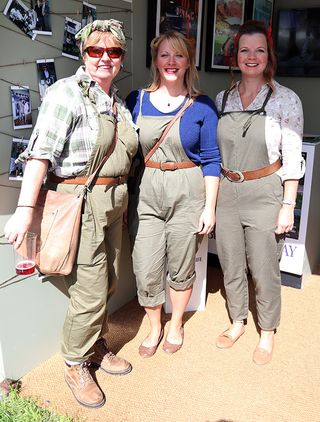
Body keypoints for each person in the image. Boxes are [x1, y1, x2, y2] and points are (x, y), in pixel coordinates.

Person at [4, 19, 138, 408]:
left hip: (115, 203)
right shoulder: (66, 94)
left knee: (110, 281)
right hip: (81, 203)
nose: (104, 58)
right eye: (95, 50)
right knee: (90, 291)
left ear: (121, 57)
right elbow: (40, 153)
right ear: (83, 54)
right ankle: (74, 363)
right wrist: (25, 210)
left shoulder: (115, 101)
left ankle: (95, 345)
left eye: (113, 51)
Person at [214, 20, 305, 365]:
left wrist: (287, 205)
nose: (252, 57)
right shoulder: (223, 98)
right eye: (244, 50)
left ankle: (267, 331)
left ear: (269, 56)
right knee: (230, 262)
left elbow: (293, 158)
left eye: (259, 50)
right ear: (235, 56)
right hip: (227, 189)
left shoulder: (286, 100)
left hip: (266, 190)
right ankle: (237, 320)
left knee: (264, 267)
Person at [126, 31, 220, 358]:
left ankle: (176, 323)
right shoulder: (135, 101)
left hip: (188, 190)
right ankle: (154, 327)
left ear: (188, 62)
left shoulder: (203, 106)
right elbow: (125, 153)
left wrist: (209, 207)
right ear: (155, 60)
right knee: (146, 266)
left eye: (178, 55)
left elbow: (211, 159)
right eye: (165, 55)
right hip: (147, 192)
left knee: (181, 265)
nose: (171, 62)